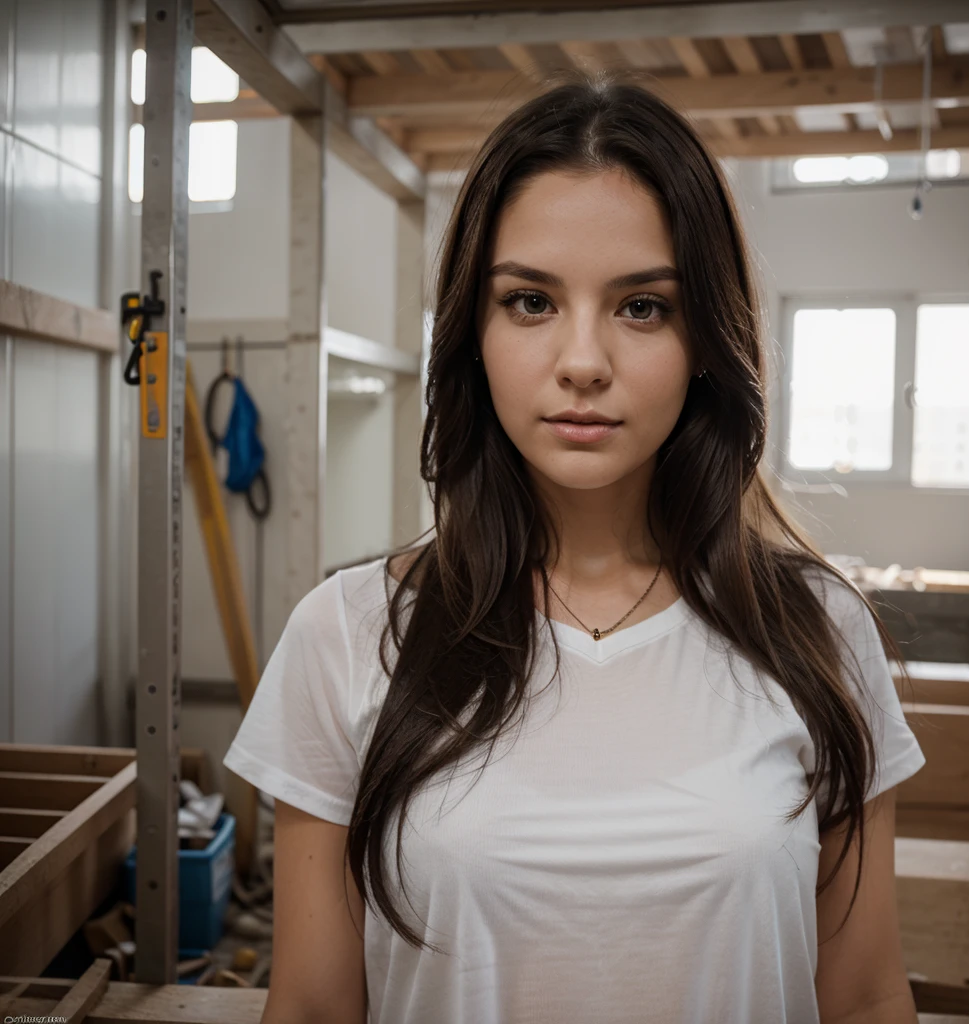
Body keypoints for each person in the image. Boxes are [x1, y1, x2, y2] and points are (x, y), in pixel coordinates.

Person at [223, 69, 925, 1024]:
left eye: (642, 307)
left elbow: (867, 998)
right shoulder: (347, 637)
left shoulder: (819, 632)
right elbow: (310, 1008)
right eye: (529, 302)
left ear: (707, 340)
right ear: (470, 331)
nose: (584, 361)